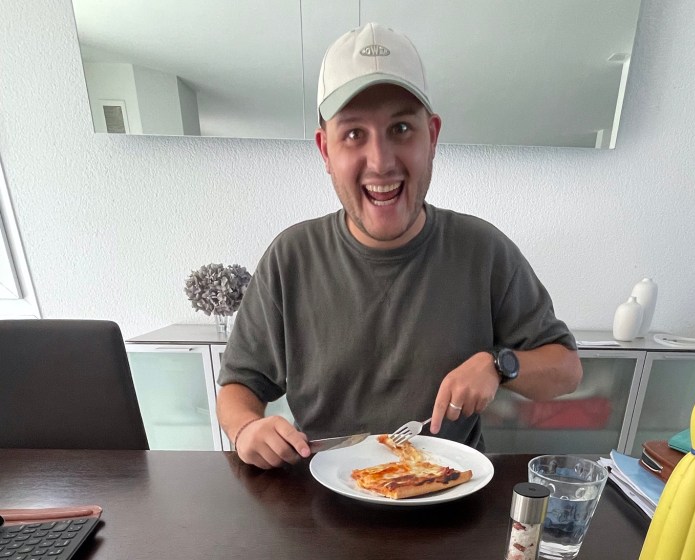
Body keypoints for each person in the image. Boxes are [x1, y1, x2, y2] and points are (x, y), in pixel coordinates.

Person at [217, 22, 582, 470]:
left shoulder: (484, 251)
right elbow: (238, 386)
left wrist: (499, 364)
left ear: (432, 137)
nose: (381, 162)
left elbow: (566, 370)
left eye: (402, 128)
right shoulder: (290, 258)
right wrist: (246, 429)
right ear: (325, 150)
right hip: (323, 492)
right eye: (354, 134)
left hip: (451, 492)